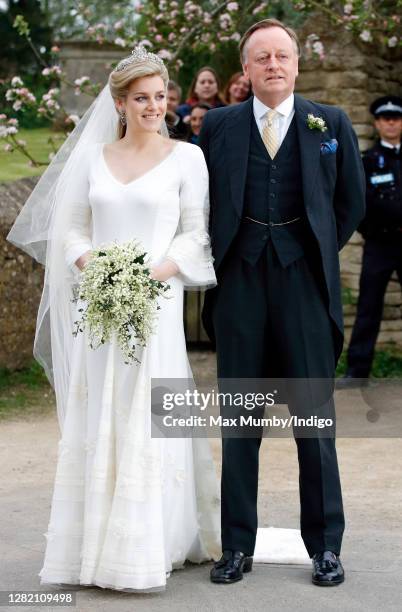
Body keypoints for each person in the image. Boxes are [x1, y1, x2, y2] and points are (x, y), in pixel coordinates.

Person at [7, 47, 221, 592]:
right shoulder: (93, 158)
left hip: (158, 300)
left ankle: (153, 542)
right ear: (120, 103)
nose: (153, 106)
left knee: (150, 412)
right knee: (100, 406)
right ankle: (92, 542)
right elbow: (72, 228)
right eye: (141, 98)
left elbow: (196, 233)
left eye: (160, 96)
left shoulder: (186, 159)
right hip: (98, 305)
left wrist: (154, 274)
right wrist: (95, 266)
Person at [199, 18, 365, 586]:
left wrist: (310, 247)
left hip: (303, 287)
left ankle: (325, 547)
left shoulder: (330, 123)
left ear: (297, 64)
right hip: (239, 285)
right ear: (244, 70)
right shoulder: (217, 126)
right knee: (239, 423)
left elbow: (351, 203)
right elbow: (202, 202)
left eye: (283, 56)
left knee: (314, 424)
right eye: (261, 57)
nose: (273, 65)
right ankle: (236, 547)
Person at [338, 96, 402, 388]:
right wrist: (370, 230)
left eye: (396, 118)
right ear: (377, 123)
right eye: (385, 118)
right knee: (368, 307)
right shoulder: (368, 160)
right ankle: (357, 371)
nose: (391, 123)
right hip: (380, 244)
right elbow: (358, 203)